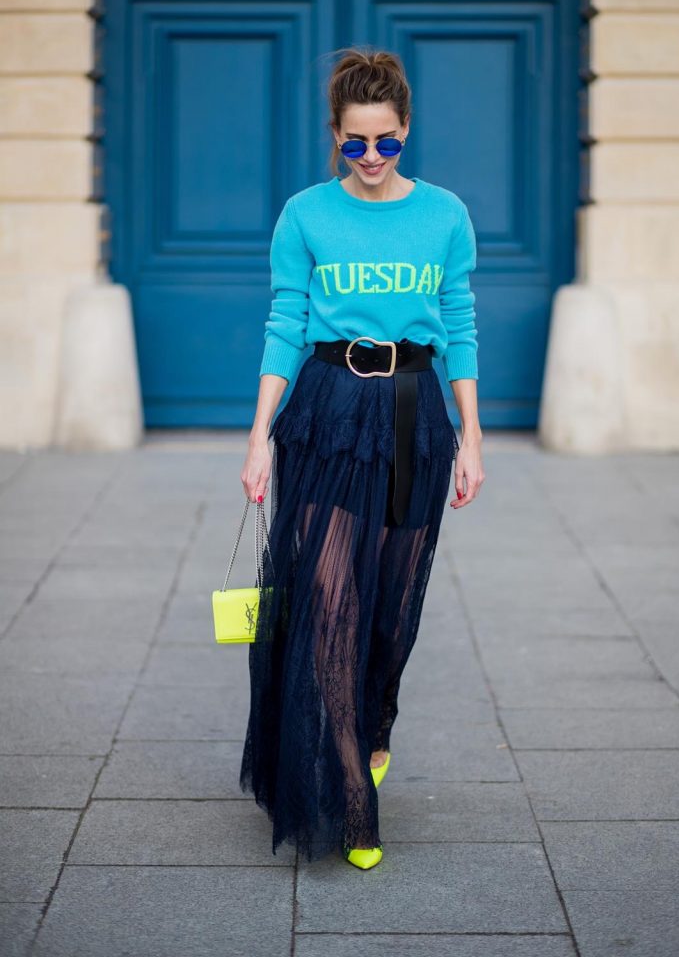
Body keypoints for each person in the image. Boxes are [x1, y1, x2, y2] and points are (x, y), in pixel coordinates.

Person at [239, 47, 484, 870]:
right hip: (327, 408)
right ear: (333, 139)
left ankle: (375, 720)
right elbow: (283, 320)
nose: (372, 159)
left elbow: (456, 320)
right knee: (332, 600)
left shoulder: (444, 214)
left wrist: (472, 434)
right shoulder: (305, 214)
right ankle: (352, 796)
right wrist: (256, 435)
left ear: (405, 131)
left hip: (415, 415)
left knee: (389, 612)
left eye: (385, 143)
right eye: (355, 144)